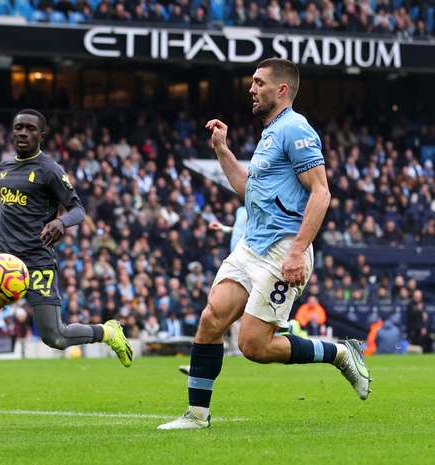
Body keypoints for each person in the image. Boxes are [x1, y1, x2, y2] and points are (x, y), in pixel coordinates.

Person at [158, 58, 371, 430]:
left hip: (281, 248)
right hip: (250, 246)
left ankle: (338, 353)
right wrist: (222, 151)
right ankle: (197, 415)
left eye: (258, 83)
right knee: (211, 319)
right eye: (252, 83)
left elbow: (321, 193)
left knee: (254, 347)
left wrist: (296, 251)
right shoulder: (270, 134)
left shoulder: (296, 129)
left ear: (282, 89)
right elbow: (247, 191)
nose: (251, 89)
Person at [0, 109, 133, 409]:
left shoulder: (49, 169)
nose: (22, 133)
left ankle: (107, 332)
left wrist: (61, 223)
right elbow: (3, 210)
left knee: (54, 337)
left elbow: (78, 209)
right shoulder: (4, 168)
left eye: (30, 129)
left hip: (36, 264)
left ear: (41, 135)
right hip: (5, 266)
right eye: (18, 127)